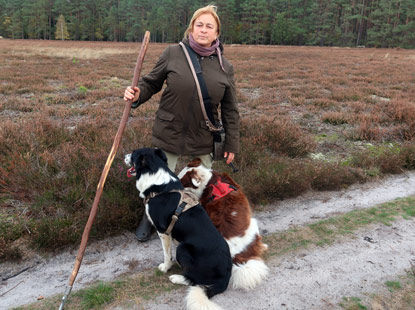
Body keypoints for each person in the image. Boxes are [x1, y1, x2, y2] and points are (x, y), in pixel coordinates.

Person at [123, 5, 240, 241]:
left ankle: (196, 222)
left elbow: (230, 109)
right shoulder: (172, 53)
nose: (203, 30)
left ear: (217, 34)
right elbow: (151, 82)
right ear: (191, 28)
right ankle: (150, 217)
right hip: (170, 132)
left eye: (209, 27)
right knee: (157, 181)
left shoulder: (225, 67)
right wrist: (137, 94)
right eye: (199, 25)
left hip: (203, 135)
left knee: (202, 186)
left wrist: (232, 144)